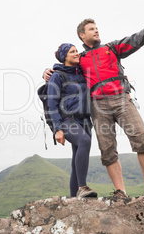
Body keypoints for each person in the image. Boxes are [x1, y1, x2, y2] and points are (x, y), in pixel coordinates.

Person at [44, 12, 144, 198]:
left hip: (121, 98)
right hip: (98, 105)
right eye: (91, 29)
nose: (96, 31)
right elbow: (64, 67)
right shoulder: (80, 59)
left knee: (141, 137)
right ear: (82, 35)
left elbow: (136, 39)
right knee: (107, 150)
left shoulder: (112, 48)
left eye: (96, 28)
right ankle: (121, 192)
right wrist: (47, 72)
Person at [47, 43, 97, 198]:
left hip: (85, 121)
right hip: (67, 119)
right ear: (64, 57)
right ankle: (82, 187)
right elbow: (52, 104)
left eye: (77, 51)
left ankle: (74, 199)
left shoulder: (82, 73)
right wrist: (58, 129)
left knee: (77, 159)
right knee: (84, 141)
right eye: (72, 52)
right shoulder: (57, 75)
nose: (77, 53)